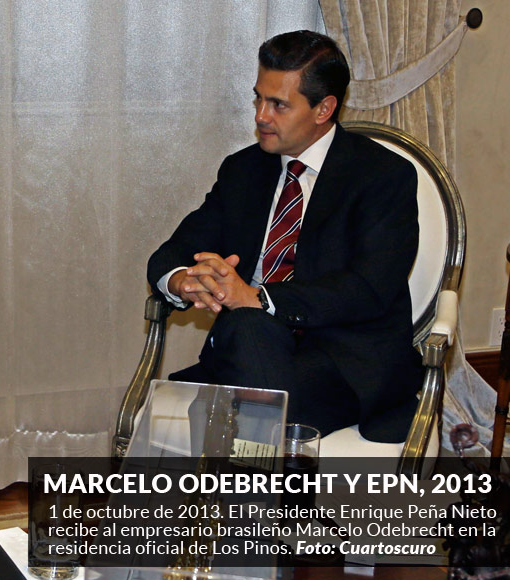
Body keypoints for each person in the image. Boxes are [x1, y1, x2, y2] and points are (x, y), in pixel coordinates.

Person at [148, 30, 422, 442]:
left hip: (344, 363)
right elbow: (172, 252)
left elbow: (369, 288)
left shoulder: (382, 176)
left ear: (324, 108)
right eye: (258, 98)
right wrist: (183, 280)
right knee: (248, 333)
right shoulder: (243, 170)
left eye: (278, 104)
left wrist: (258, 298)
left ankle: (239, 460)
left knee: (242, 346)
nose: (261, 115)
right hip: (253, 351)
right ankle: (263, 477)